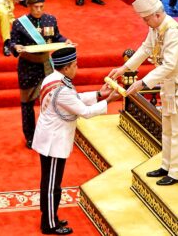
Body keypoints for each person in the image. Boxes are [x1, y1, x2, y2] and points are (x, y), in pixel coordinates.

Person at [108, 0, 178, 186]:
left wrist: (142, 83)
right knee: (167, 128)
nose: (145, 22)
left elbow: (168, 65)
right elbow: (145, 49)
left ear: (157, 15)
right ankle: (166, 166)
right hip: (170, 83)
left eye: (146, 19)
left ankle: (177, 173)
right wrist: (124, 68)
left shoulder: (173, 32)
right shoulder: (157, 28)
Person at [32, 47, 120, 235]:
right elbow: (84, 112)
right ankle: (49, 224)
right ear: (66, 68)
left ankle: (51, 216)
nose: (77, 68)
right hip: (53, 142)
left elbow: (74, 98)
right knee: (51, 185)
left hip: (49, 136)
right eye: (75, 65)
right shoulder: (61, 88)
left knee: (51, 182)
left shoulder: (54, 78)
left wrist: (98, 94)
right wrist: (109, 101)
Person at [10, 0, 72, 149]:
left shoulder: (50, 20)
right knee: (27, 104)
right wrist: (16, 47)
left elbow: (57, 36)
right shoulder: (19, 23)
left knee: (51, 101)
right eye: (35, 7)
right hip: (27, 68)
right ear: (29, 6)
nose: (38, 10)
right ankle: (30, 137)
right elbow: (13, 42)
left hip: (46, 66)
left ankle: (50, 133)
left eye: (41, 7)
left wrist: (65, 40)